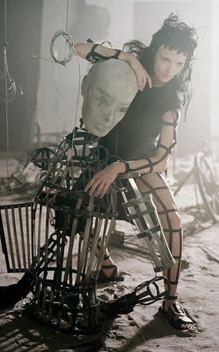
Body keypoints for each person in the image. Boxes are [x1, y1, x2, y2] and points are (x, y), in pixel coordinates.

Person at [74, 13, 198, 333]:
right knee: (77, 210)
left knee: (172, 219)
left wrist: (121, 168)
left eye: (178, 64)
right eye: (165, 58)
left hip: (139, 161)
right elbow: (77, 48)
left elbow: (162, 159)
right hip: (103, 153)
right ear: (155, 50)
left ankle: (170, 301)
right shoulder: (130, 63)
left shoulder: (172, 99)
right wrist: (126, 56)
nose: (169, 68)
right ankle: (106, 269)